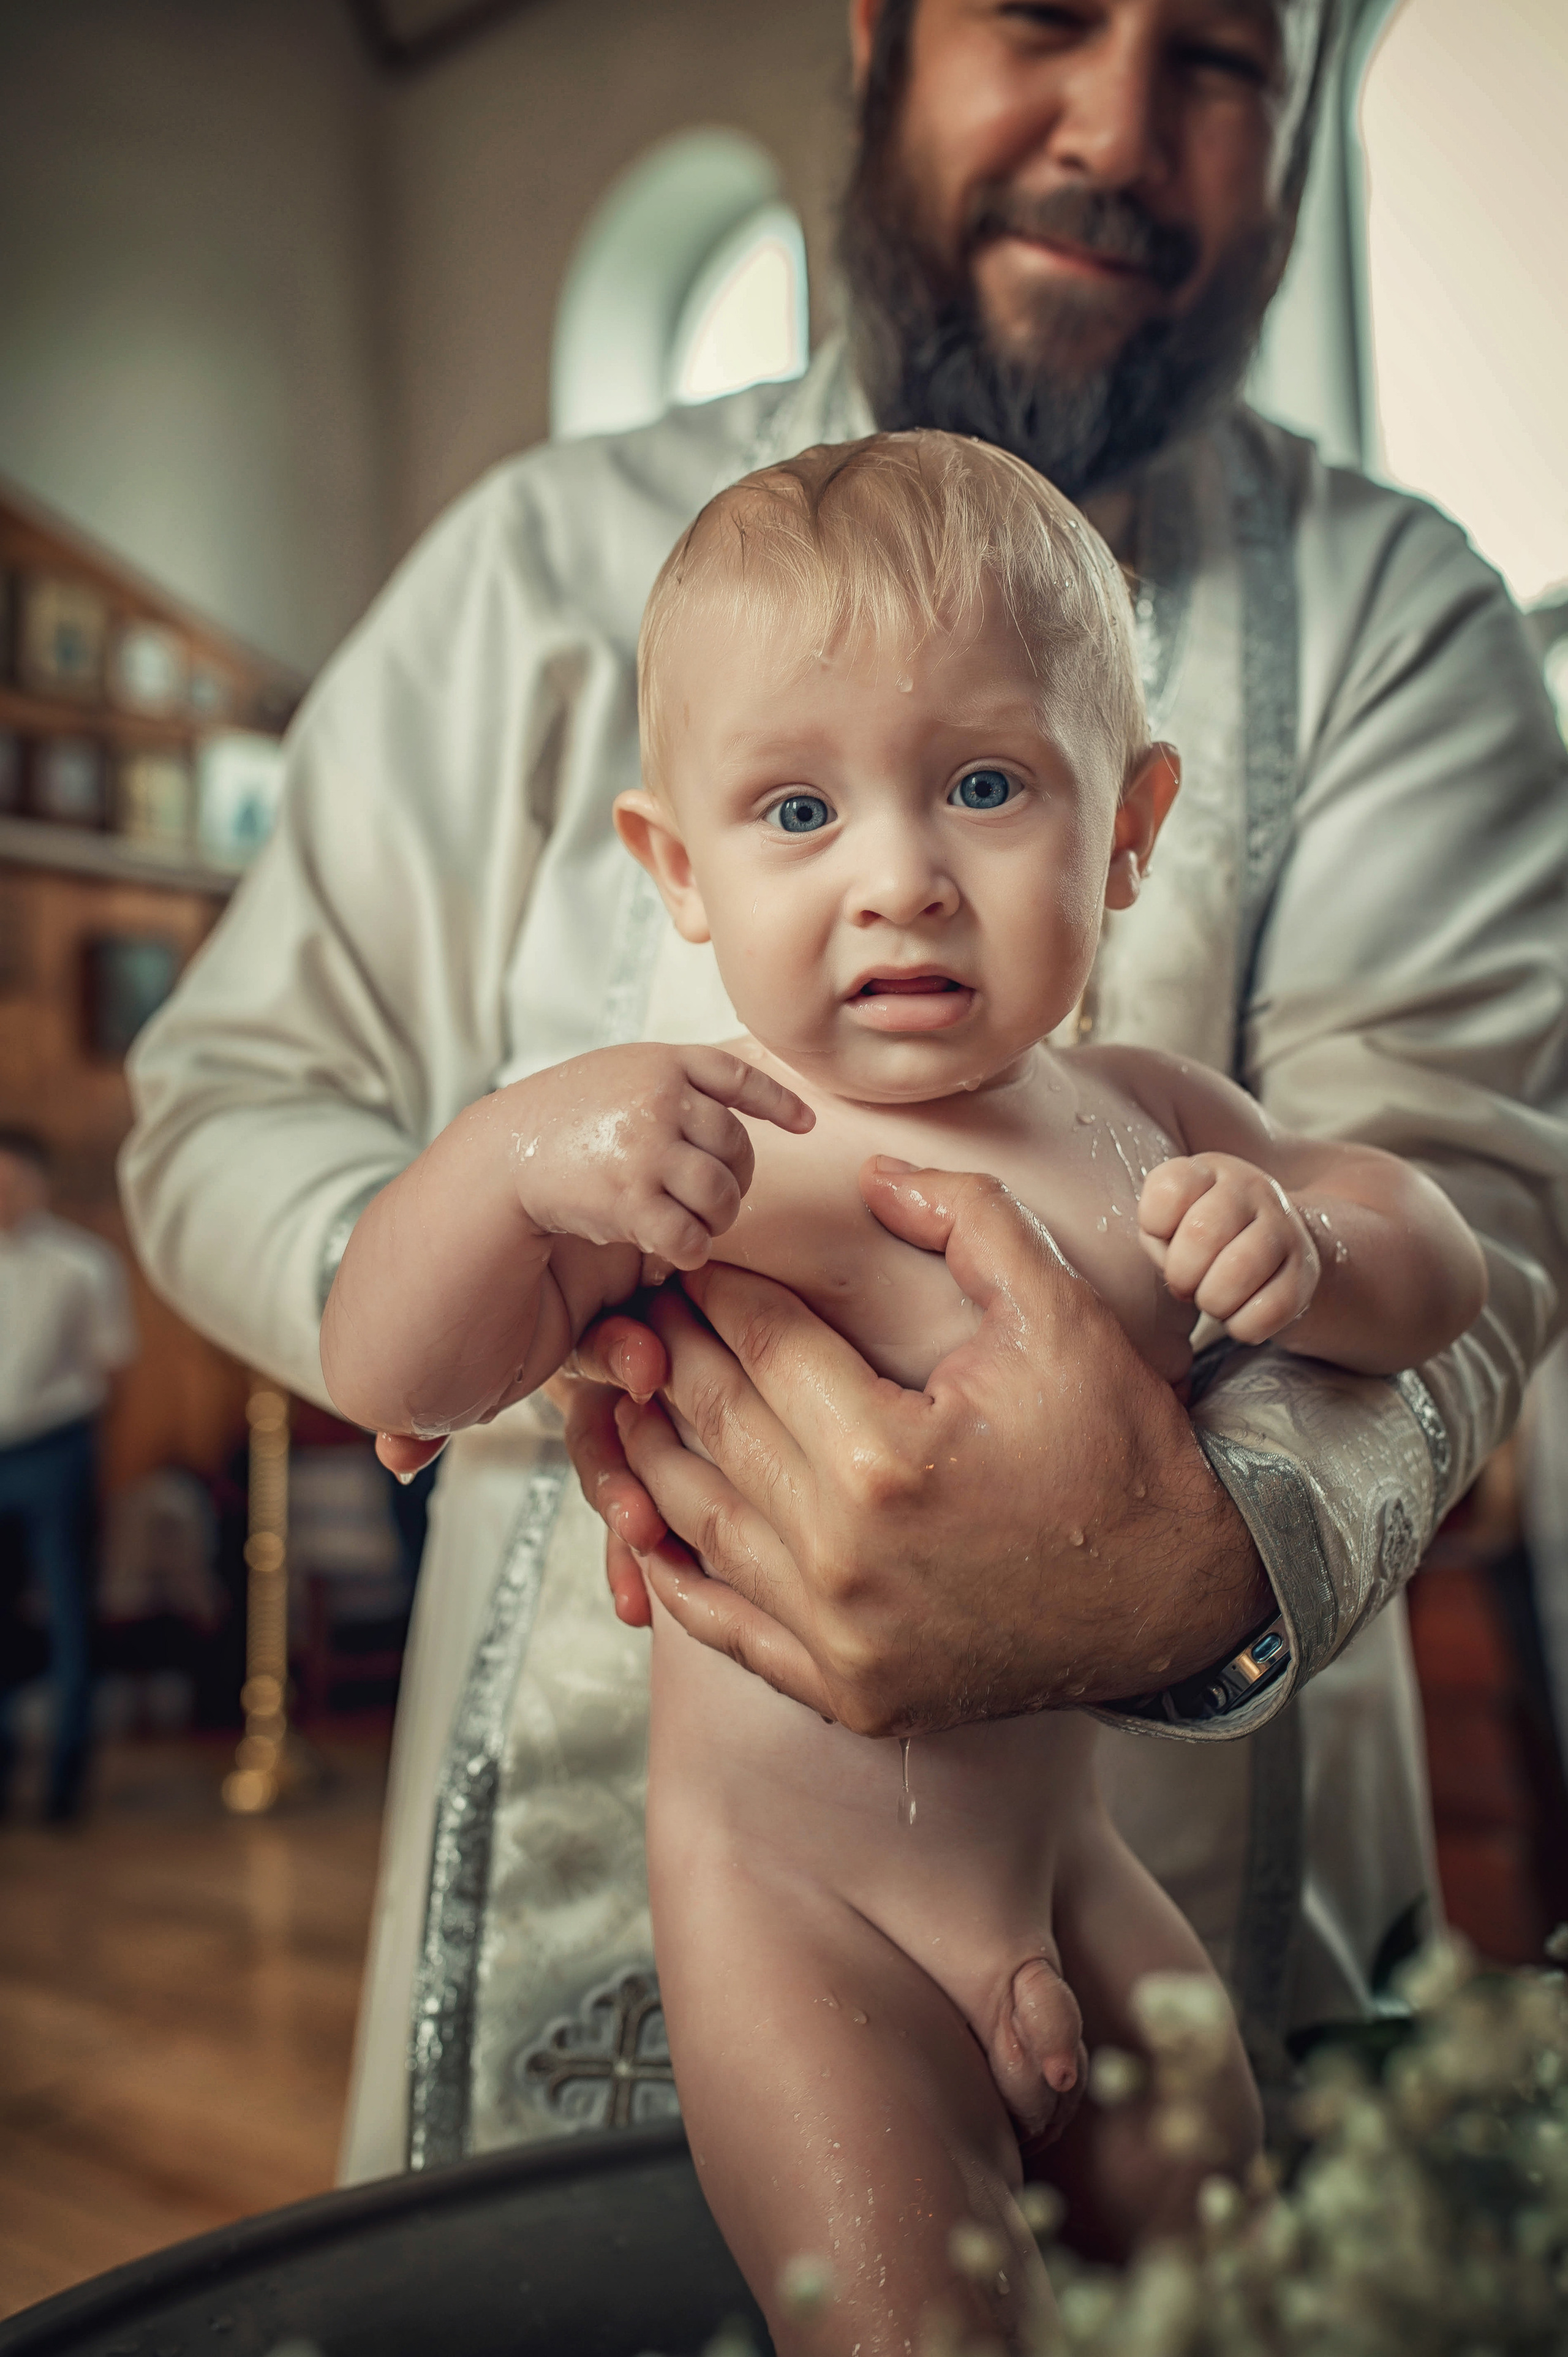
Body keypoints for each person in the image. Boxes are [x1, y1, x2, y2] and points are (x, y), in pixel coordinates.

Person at [119, 0, 1568, 2186]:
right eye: (1048, 21)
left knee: (1204, 2272)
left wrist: (1190, 1546)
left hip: (1153, 1841)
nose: (1112, 129)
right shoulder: (534, 557)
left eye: (1215, 64)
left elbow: (1453, 1191)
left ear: (1121, 817)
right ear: (880, 34)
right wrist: (511, 1277)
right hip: (680, 1854)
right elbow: (226, 1094)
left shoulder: (1393, 612)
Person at [318, 432, 1490, 2338]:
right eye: (796, 809)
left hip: (1086, 1880)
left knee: (1231, 2283)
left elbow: (1426, 1252)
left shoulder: (1157, 1128)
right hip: (799, 1921)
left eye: (981, 784)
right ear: (673, 869)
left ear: (1128, 823)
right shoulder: (709, 1154)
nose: (900, 879)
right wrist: (517, 1157)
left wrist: (1320, 1247)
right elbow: (392, 1367)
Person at [0, 1129, 137, 1820]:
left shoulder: (84, 1264)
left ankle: (66, 1779)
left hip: (56, 1450)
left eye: (15, 1180)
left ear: (39, 1183)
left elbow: (113, 1367)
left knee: (68, 1613)